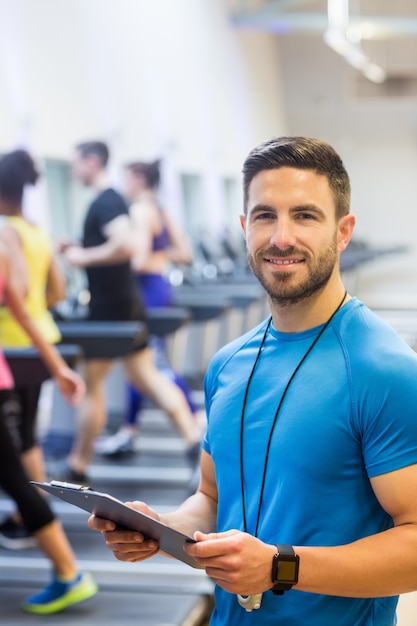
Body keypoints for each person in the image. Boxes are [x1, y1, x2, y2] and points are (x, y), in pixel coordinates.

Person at [88, 136, 417, 625]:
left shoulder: (382, 367)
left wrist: (281, 567)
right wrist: (159, 530)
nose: (281, 237)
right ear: (245, 228)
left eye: (305, 216)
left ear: (343, 231)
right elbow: (212, 498)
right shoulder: (227, 365)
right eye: (265, 216)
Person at [58, 141, 201, 481]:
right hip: (128, 303)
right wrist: (80, 248)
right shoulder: (120, 201)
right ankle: (194, 441)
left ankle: (77, 464)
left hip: (110, 309)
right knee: (147, 377)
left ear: (92, 162)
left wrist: (81, 257)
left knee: (93, 385)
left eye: (76, 163)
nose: (74, 170)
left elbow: (127, 246)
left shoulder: (107, 200)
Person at [0, 234, 97, 614]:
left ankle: (69, 572)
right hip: (5, 380)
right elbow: (23, 306)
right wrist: (58, 369)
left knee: (16, 480)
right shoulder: (7, 234)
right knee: (16, 475)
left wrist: (60, 371)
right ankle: (68, 572)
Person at [96, 159, 202, 457]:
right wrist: (160, 253)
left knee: (151, 365)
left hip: (144, 291)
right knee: (144, 365)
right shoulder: (161, 209)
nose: (125, 186)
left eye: (127, 178)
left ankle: (191, 421)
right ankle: (131, 429)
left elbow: (138, 259)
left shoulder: (141, 210)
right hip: (159, 287)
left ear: (139, 179)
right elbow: (183, 253)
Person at [0, 148, 70, 547]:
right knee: (25, 430)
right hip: (42, 337)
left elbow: (18, 291)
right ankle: (32, 506)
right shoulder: (35, 229)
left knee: (20, 435)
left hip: (14, 343)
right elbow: (56, 291)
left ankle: (31, 510)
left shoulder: (6, 230)